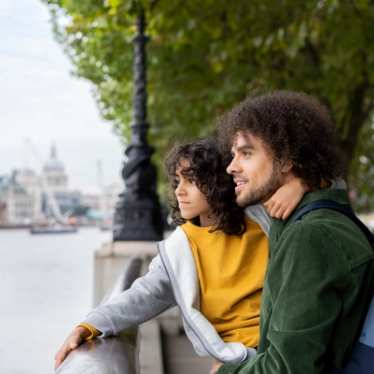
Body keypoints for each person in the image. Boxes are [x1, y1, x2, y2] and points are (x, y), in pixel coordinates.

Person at [54, 138, 307, 370]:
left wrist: (299, 183)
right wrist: (89, 325)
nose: (179, 191)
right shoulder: (180, 249)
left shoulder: (262, 215)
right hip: (240, 358)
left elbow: (329, 181)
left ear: (218, 182)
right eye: (177, 181)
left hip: (288, 344)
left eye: (191, 181)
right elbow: (143, 295)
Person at [216, 91, 374, 374]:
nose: (231, 166)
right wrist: (303, 181)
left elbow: (285, 368)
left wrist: (225, 373)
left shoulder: (309, 237)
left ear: (287, 159)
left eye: (246, 153)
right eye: (233, 154)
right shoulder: (321, 218)